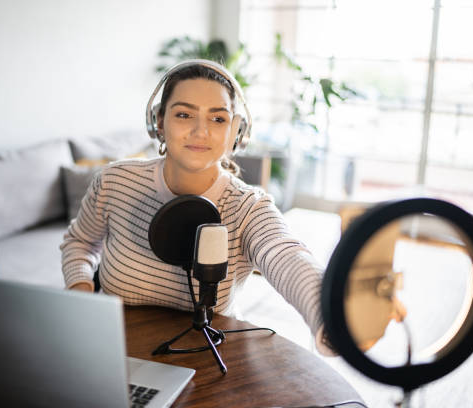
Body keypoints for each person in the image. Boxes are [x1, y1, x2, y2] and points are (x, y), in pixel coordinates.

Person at [60, 60, 335, 355]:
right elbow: (80, 241)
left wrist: (332, 316)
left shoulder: (248, 208)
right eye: (183, 114)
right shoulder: (115, 181)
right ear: (159, 123)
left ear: (236, 133)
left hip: (206, 356)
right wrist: (81, 291)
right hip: (116, 348)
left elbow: (286, 255)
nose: (200, 131)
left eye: (218, 119)